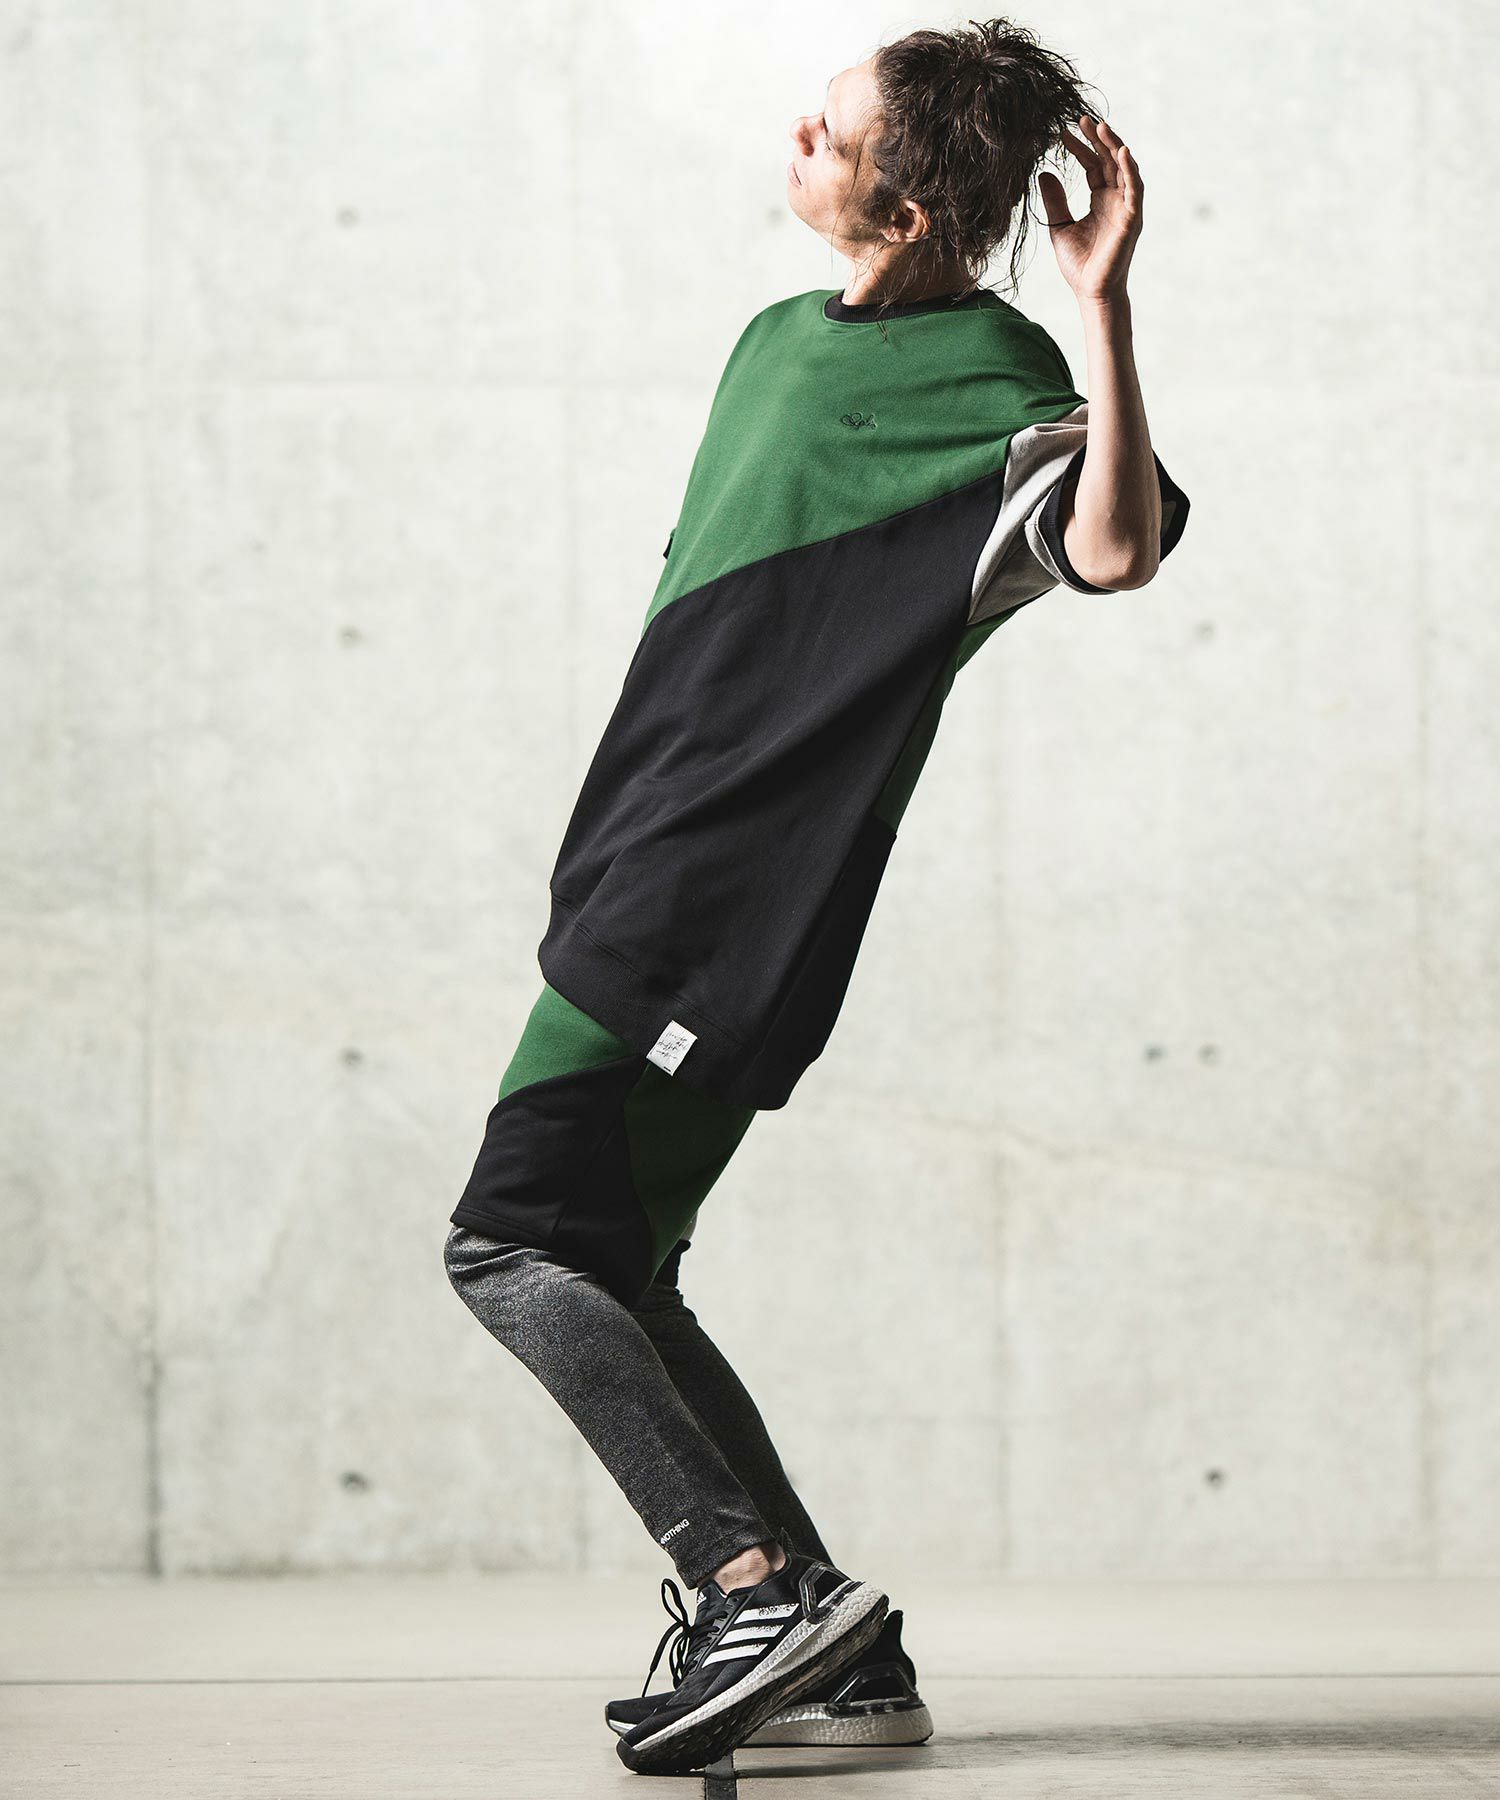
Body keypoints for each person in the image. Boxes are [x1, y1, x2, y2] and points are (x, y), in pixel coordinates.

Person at [444, 15, 1190, 1777]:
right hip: (636, 858)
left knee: (513, 1242)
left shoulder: (1000, 384)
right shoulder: (775, 339)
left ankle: (751, 1590)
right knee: (614, 1261)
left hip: (725, 904)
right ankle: (850, 1667)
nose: (798, 132)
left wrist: (1102, 307)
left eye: (830, 128)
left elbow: (1116, 549)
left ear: (911, 208)